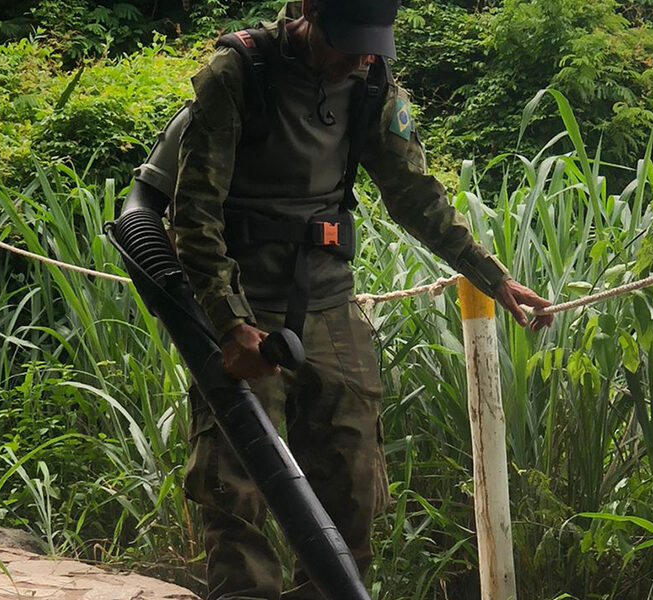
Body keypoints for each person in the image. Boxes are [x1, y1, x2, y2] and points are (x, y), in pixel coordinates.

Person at [157, 1, 555, 597]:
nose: (359, 57)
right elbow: (194, 216)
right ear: (307, 13)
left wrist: (488, 273)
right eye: (346, 42)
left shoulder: (371, 80)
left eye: (372, 44)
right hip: (245, 303)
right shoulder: (238, 72)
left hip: (330, 299)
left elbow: (413, 192)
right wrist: (229, 322)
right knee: (234, 488)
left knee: (354, 480)